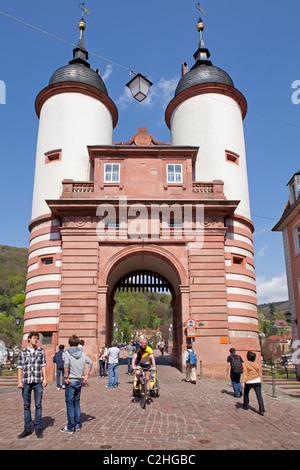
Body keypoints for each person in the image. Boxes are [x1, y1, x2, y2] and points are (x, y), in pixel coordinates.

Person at [17, 331, 47, 439]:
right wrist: (19, 381)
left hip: (38, 381)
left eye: (37, 338)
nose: (36, 340)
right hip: (26, 381)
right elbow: (20, 367)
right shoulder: (22, 352)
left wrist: (45, 379)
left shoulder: (41, 351)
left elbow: (43, 365)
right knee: (26, 406)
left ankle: (38, 428)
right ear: (29, 339)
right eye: (34, 338)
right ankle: (27, 428)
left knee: (38, 405)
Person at [60, 334, 93, 434]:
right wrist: (86, 376)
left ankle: (70, 427)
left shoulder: (67, 353)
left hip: (71, 380)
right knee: (77, 403)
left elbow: (66, 365)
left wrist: (66, 377)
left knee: (70, 404)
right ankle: (77, 425)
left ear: (69, 343)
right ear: (78, 343)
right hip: (79, 381)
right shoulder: (82, 353)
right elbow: (90, 362)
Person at [242, 351, 265, 416]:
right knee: (259, 396)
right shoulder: (256, 364)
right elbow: (258, 372)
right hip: (257, 381)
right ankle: (262, 409)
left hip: (249, 381)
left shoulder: (246, 364)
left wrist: (243, 382)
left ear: (247, 357)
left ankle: (246, 405)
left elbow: (245, 373)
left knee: (246, 393)